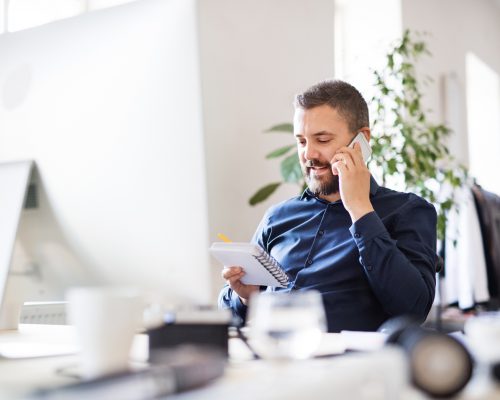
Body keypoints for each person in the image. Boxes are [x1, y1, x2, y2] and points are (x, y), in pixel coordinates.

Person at [219, 79, 437, 332]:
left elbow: (413, 309)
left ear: (361, 140)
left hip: (345, 365)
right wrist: (246, 297)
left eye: (322, 140)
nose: (308, 154)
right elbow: (228, 317)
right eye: (301, 141)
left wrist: (360, 209)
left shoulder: (407, 210)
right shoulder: (277, 217)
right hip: (269, 358)